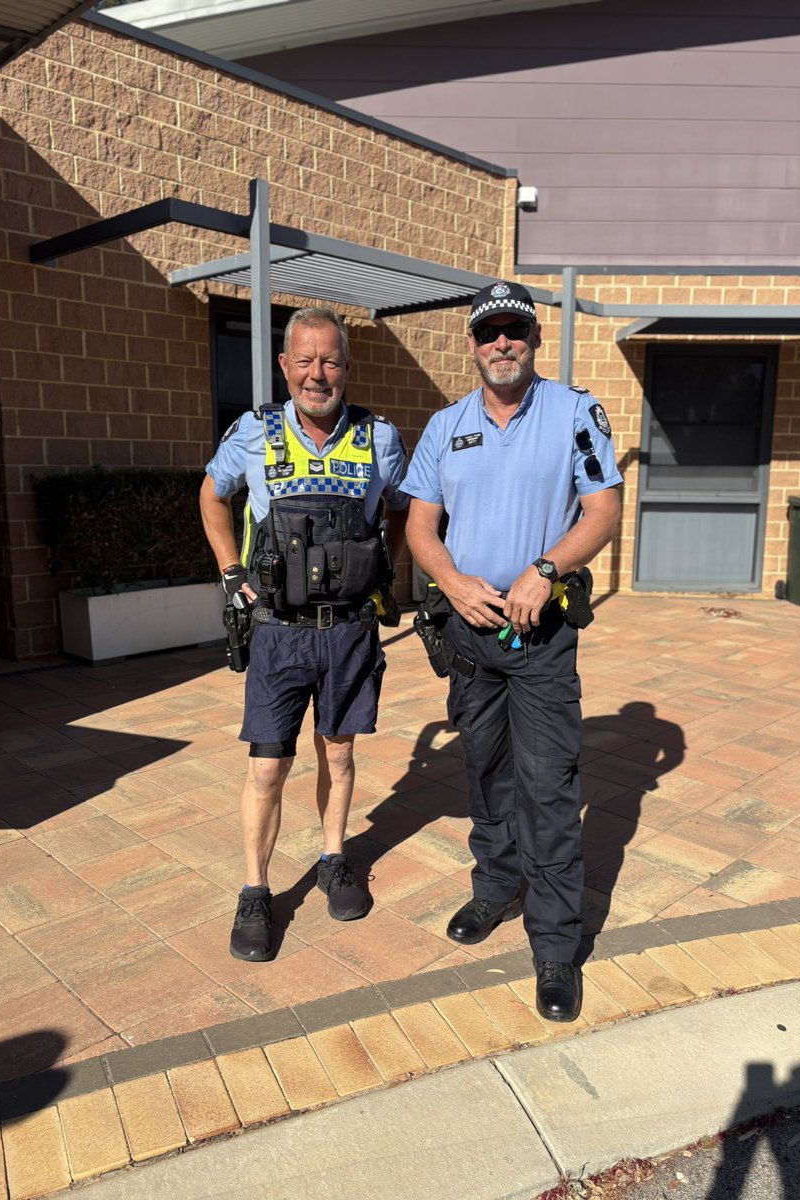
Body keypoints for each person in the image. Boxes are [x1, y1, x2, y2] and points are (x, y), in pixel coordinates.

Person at [402, 281, 622, 1021]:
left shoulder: (573, 413)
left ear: (533, 339)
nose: (503, 342)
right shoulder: (445, 425)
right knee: (485, 770)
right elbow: (421, 527)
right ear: (472, 342)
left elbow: (603, 510)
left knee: (549, 786)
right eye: (490, 331)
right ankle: (494, 888)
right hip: (471, 630)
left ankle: (555, 942)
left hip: (540, 635)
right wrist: (454, 584)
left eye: (515, 331)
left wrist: (547, 569)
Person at [200, 305, 409, 962]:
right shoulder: (255, 433)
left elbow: (402, 508)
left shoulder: (379, 438)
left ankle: (333, 859)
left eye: (331, 360)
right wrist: (233, 572)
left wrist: (385, 569)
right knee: (268, 767)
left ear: (346, 367)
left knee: (339, 757)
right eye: (306, 360)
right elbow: (211, 494)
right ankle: (256, 891)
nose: (318, 373)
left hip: (348, 632)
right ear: (286, 366)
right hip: (279, 634)